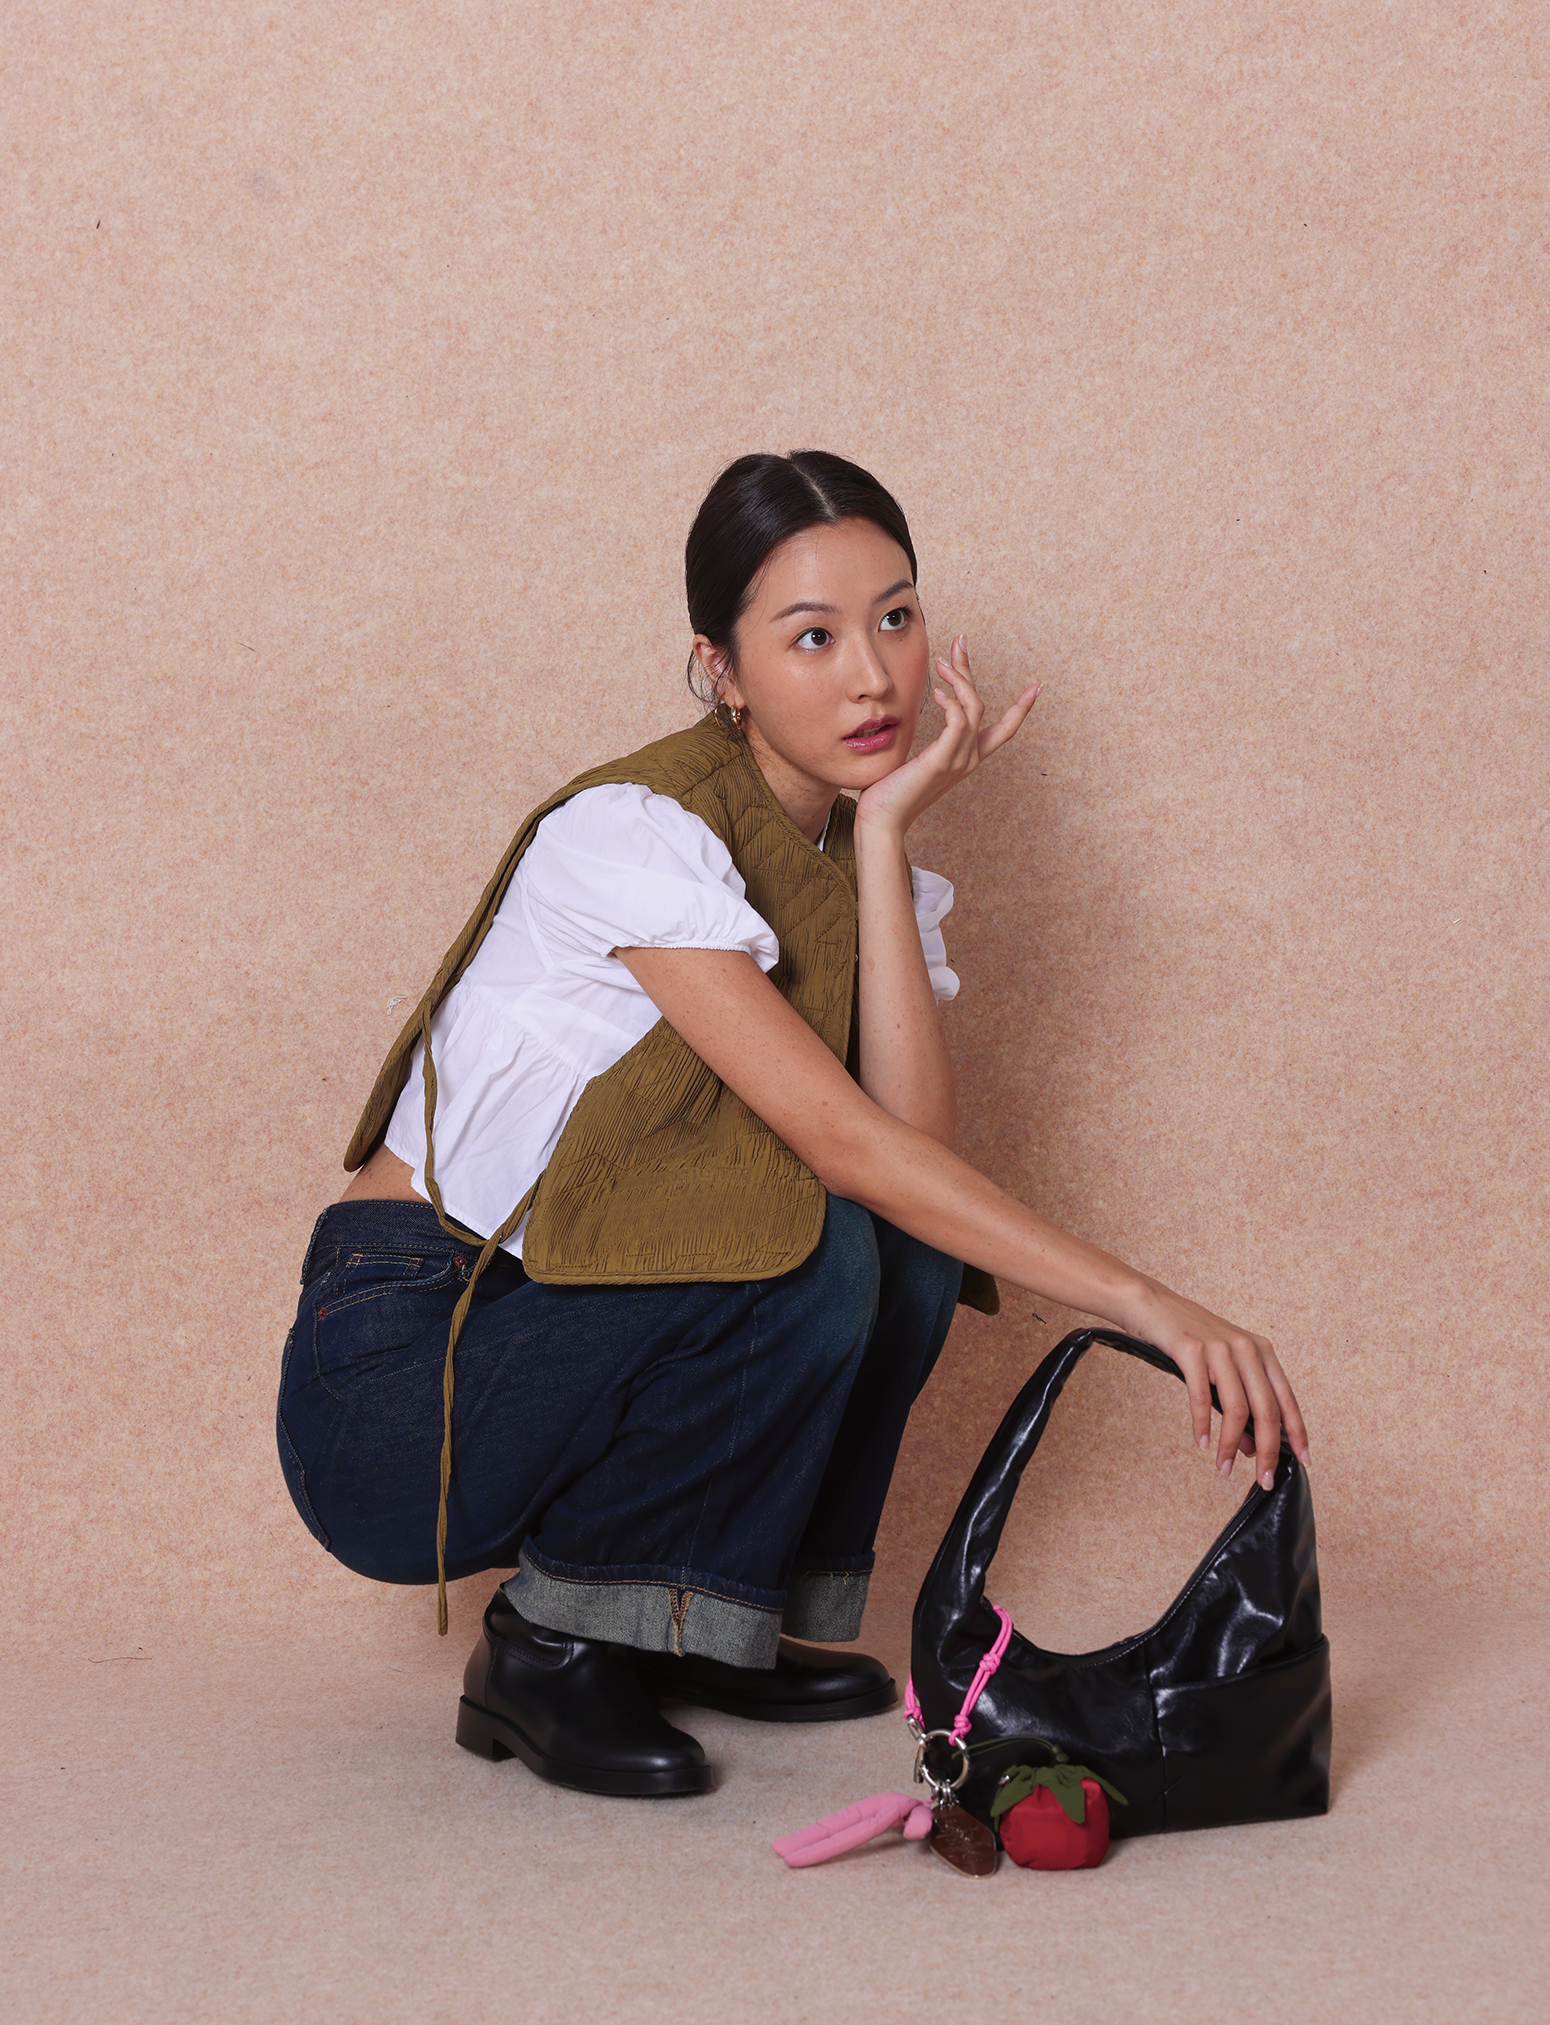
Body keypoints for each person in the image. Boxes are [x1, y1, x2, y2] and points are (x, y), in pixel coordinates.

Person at [276, 450, 1309, 1800]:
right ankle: (550, 1647)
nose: (873, 676)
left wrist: (880, 839)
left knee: (902, 1248)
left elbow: (914, 1164)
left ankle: (705, 1612)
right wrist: (1151, 1305)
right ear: (722, 669)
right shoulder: (633, 834)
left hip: (565, 1313)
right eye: (811, 637)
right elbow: (851, 1152)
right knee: (802, 1236)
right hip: (409, 1367)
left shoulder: (855, 868)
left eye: (896, 617)